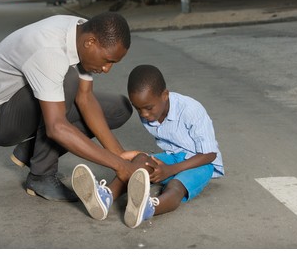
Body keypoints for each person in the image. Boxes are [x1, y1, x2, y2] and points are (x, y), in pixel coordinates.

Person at [0, 12, 142, 202]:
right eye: (108, 60)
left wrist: (120, 156)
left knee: (118, 108)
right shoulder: (49, 52)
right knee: (68, 80)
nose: (107, 69)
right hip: (1, 118)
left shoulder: (81, 31)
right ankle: (41, 175)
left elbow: (85, 98)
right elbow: (57, 127)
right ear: (90, 42)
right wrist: (121, 167)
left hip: (34, 100)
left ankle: (31, 150)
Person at [71, 64, 224, 228]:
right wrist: (140, 157)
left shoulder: (191, 110)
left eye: (148, 108)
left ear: (165, 95)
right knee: (138, 162)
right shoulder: (150, 113)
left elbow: (209, 154)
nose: (144, 114)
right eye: (138, 109)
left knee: (175, 186)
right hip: (173, 157)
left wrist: (170, 170)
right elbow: (171, 151)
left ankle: (147, 208)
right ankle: (105, 197)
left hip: (200, 163)